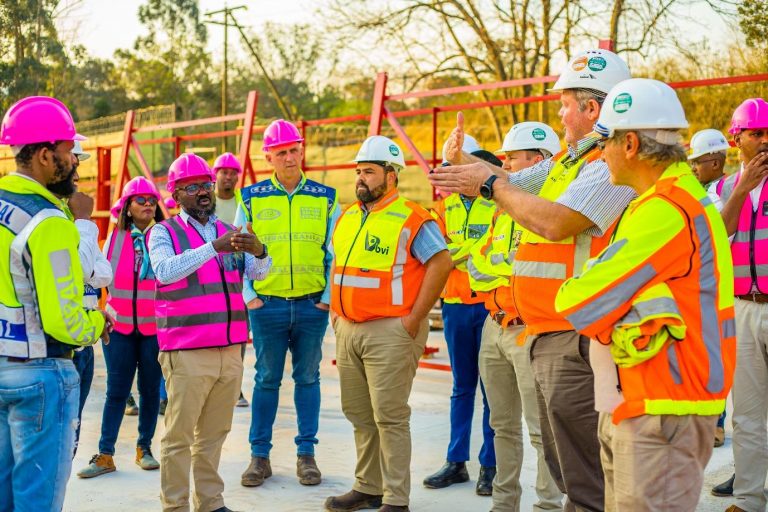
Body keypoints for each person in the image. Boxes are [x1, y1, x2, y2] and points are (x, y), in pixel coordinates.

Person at [429, 48, 634, 512]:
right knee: (569, 465)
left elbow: (557, 222)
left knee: (584, 468)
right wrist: (469, 164)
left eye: (565, 104)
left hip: (576, 334)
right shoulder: (568, 160)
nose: (559, 114)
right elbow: (512, 177)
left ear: (592, 109)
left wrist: (491, 185)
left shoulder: (609, 163)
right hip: (547, 330)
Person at [555, 78, 735, 510]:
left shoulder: (666, 211)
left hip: (666, 409)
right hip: (647, 400)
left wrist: (580, 286)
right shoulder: (657, 202)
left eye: (605, 142)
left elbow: (579, 302)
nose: (601, 153)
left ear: (630, 143)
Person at [324, 135, 452, 512]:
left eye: (370, 171)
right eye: (359, 171)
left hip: (392, 331)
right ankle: (368, 486)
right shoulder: (348, 216)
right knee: (360, 414)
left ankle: (396, 500)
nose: (361, 178)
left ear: (391, 175)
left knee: (390, 417)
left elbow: (441, 263)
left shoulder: (412, 217)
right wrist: (336, 314)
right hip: (348, 328)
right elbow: (339, 267)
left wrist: (413, 319)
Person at [0, 95, 108, 511]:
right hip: (40, 373)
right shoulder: (48, 221)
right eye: (68, 153)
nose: (75, 163)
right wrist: (97, 323)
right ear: (45, 156)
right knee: (38, 500)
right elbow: (66, 321)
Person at [149, 153, 270, 512]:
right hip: (186, 352)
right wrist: (211, 248)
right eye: (192, 187)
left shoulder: (230, 233)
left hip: (230, 351)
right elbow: (165, 271)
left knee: (214, 435)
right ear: (176, 194)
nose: (203, 192)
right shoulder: (164, 232)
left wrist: (261, 252)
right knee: (178, 438)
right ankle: (175, 506)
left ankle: (211, 503)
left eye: (205, 185)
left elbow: (259, 274)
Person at [238, 119, 339, 488]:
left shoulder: (326, 197)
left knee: (308, 379)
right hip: (268, 306)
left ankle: (306, 455)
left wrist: (327, 298)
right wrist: (250, 296)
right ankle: (259, 457)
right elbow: (239, 250)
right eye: (281, 151)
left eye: (294, 149)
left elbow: (334, 252)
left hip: (312, 306)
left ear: (302, 151)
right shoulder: (250, 198)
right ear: (269, 157)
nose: (289, 157)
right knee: (266, 379)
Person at [468, 121, 564, 512]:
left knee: (542, 431)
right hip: (495, 325)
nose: (503, 164)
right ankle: (504, 504)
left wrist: (503, 269)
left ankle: (547, 504)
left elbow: (538, 269)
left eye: (512, 158)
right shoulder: (502, 209)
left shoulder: (552, 211)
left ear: (539, 161)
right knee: (501, 426)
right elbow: (478, 263)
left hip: (533, 330)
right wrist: (505, 270)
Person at [423, 133, 497, 495]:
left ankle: (490, 466)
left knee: (493, 391)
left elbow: (489, 248)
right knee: (461, 387)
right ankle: (456, 462)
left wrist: (457, 253)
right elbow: (436, 253)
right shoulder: (443, 208)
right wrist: (465, 252)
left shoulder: (498, 203)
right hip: (454, 307)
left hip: (489, 306)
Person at [77, 176, 165, 478]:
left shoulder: (163, 237)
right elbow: (95, 277)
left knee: (150, 391)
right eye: (140, 199)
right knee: (116, 392)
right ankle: (105, 454)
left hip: (154, 329)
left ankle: (145, 448)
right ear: (127, 207)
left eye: (152, 199)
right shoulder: (112, 238)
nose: (147, 204)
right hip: (119, 328)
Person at [709, 97, 768, 512]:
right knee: (746, 416)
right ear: (738, 138)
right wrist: (743, 188)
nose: (764, 140)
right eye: (756, 133)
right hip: (743, 310)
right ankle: (748, 500)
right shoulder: (723, 189)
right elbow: (716, 238)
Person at [48, 140, 113, 456]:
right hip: (57, 349)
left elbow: (103, 273)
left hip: (83, 344)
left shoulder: (64, 210)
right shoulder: (55, 215)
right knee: (55, 447)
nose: (76, 167)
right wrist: (86, 223)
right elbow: (83, 270)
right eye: (73, 158)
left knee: (68, 441)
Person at [214, 151, 250, 407]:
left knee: (239, 331)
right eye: (224, 172)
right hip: (210, 277)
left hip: (238, 277)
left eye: (233, 172)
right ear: (215, 175)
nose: (228, 177)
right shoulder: (206, 203)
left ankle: (235, 387)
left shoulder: (243, 205)